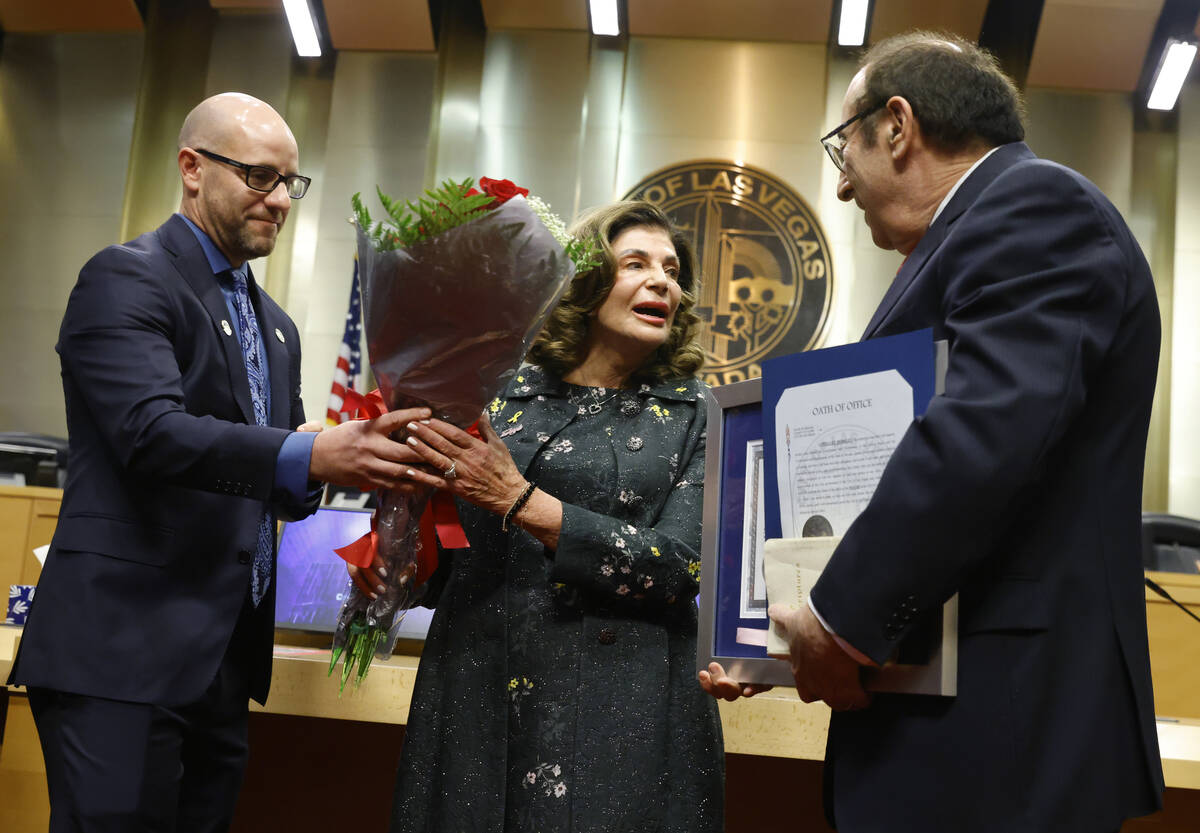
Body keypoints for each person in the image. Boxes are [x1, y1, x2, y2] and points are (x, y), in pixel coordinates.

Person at [701, 32, 1164, 833]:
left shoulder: (1032, 207)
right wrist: (770, 633)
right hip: (952, 720)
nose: (841, 188)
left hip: (1005, 724)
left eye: (842, 148)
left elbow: (981, 441)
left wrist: (834, 622)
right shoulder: (976, 232)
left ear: (898, 125)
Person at [8, 92, 430, 833]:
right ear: (191, 168)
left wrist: (344, 467)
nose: (278, 200)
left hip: (223, 667)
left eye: (290, 184)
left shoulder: (277, 327)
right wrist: (311, 451)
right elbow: (151, 433)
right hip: (122, 658)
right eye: (259, 177)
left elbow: (273, 481)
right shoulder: (126, 277)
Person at [353, 201, 724, 832]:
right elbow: (448, 562)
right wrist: (399, 533)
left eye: (671, 269)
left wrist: (522, 502)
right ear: (585, 283)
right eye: (636, 263)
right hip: (477, 690)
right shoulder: (495, 392)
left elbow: (682, 565)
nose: (663, 280)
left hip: (625, 713)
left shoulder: (699, 412)